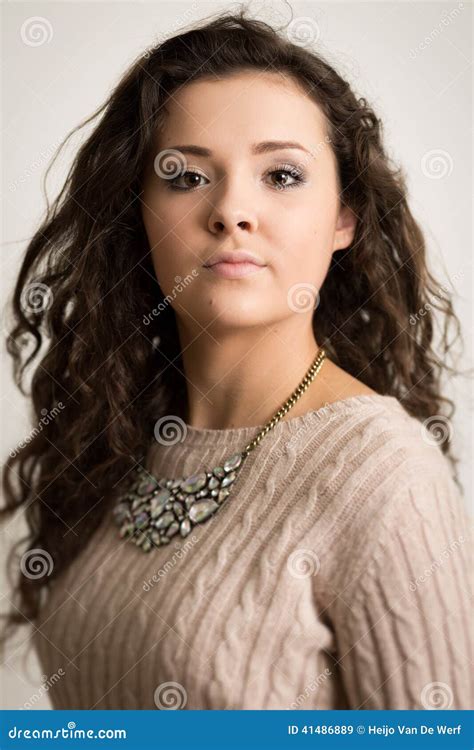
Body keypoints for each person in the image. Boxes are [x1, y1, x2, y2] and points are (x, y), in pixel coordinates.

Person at [1, 9, 471, 710]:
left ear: (344, 218)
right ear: (139, 213)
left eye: (281, 175)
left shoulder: (384, 477)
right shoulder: (114, 440)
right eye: (186, 177)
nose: (230, 212)